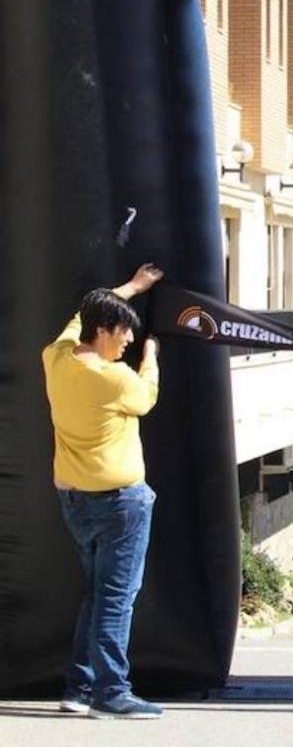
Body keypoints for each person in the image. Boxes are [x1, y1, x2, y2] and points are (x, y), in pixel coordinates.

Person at [43, 264, 165, 719]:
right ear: (103, 331)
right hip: (120, 504)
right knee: (115, 599)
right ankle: (112, 694)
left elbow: (81, 311)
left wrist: (131, 289)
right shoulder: (115, 380)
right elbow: (147, 396)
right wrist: (151, 353)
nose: (129, 340)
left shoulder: (54, 358)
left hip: (74, 501)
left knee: (96, 595)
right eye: (124, 333)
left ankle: (79, 688)